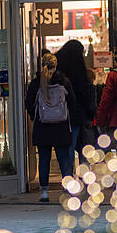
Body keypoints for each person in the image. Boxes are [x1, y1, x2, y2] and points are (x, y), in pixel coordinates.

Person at [25, 53, 78, 203]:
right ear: (56, 65)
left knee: (43, 159)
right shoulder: (64, 82)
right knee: (63, 159)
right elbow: (73, 102)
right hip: (61, 126)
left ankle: (44, 193)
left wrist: (35, 115)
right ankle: (68, 189)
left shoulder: (36, 83)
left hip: (42, 126)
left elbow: (28, 103)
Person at [55, 39, 97, 168]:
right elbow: (85, 95)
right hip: (79, 116)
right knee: (84, 147)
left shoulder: (59, 73)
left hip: (61, 116)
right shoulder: (80, 72)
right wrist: (91, 114)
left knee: (68, 147)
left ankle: (68, 176)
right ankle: (85, 178)